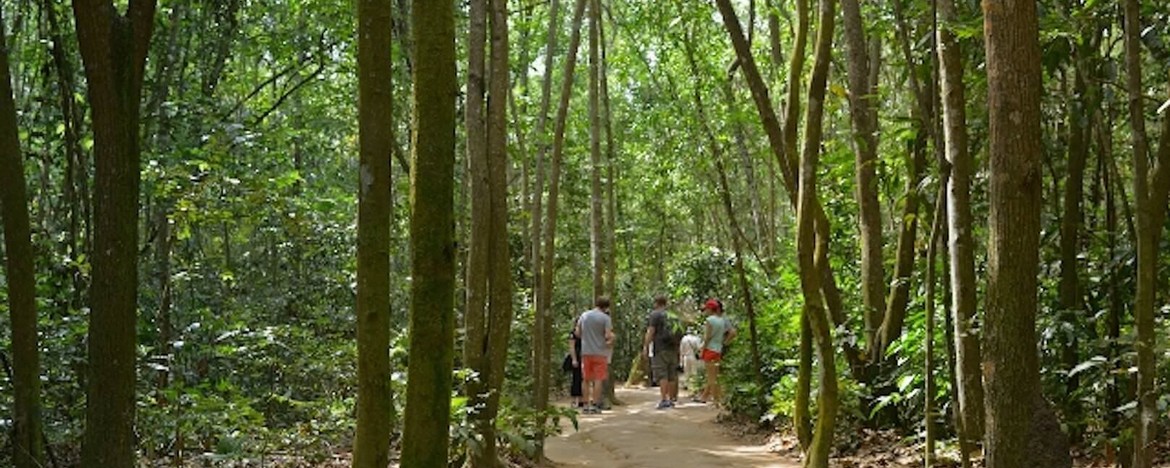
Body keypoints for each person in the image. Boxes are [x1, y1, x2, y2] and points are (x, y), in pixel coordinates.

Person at [576, 296, 615, 414]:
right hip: (600, 352)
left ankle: (585, 404)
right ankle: (595, 404)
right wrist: (611, 339)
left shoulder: (584, 315)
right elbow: (608, 336)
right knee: (598, 379)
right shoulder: (605, 318)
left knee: (586, 379)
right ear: (607, 307)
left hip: (586, 351)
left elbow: (577, 332)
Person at [643, 295, 681, 409]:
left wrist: (645, 346)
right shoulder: (673, 316)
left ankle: (664, 399)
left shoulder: (655, 315)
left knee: (662, 374)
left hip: (660, 348)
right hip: (673, 348)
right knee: (671, 375)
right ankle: (672, 399)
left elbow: (651, 331)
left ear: (656, 303)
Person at [699, 298, 735, 405]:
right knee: (715, 376)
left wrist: (702, 350)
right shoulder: (722, 320)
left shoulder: (709, 320)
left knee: (711, 378)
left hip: (709, 349)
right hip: (718, 350)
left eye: (706, 309)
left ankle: (716, 401)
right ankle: (717, 399)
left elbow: (707, 337)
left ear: (710, 309)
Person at [679, 332, 705, 396]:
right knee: (694, 372)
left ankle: (687, 386)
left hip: (686, 357)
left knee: (687, 372)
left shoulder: (684, 338)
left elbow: (681, 350)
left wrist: (681, 361)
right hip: (693, 357)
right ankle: (694, 388)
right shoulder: (696, 338)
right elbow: (699, 347)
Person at [568, 326, 584, 408]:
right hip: (577, 357)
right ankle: (575, 400)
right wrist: (574, 359)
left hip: (585, 356)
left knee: (583, 379)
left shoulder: (586, 333)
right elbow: (571, 347)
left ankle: (582, 399)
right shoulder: (573, 334)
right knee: (576, 378)